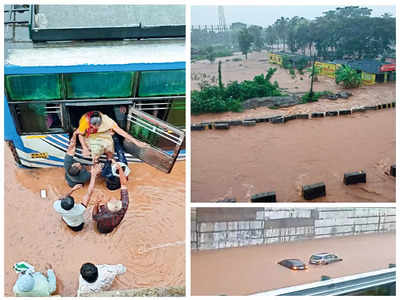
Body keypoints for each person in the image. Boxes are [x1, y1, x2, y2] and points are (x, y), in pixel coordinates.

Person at [76, 111, 147, 161]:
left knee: (109, 148)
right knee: (95, 151)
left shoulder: (107, 121)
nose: (95, 127)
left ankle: (110, 159)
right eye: (93, 126)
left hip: (103, 134)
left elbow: (122, 132)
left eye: (97, 126)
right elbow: (80, 134)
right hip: (90, 135)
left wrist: (137, 142)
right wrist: (84, 147)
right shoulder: (85, 121)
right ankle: (96, 160)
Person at [54, 164, 101, 231]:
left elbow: (62, 197)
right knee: (81, 228)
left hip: (68, 222)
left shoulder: (56, 206)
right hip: (78, 223)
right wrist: (93, 175)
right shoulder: (79, 210)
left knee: (64, 220)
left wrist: (73, 189)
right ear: (73, 205)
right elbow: (89, 193)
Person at [92, 162, 129, 234]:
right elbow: (123, 184)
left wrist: (96, 203)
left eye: (110, 200)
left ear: (106, 207)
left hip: (102, 227)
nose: (112, 198)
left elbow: (94, 217)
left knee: (101, 230)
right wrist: (120, 169)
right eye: (115, 200)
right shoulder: (124, 204)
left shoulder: (102, 216)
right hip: (114, 224)